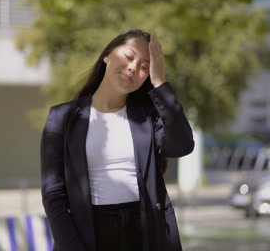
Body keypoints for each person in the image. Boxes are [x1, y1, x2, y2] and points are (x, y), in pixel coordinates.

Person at [40, 29, 194, 251]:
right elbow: (53, 194)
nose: (133, 67)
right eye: (129, 56)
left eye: (144, 66)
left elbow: (182, 144)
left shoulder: (148, 117)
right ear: (107, 55)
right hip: (89, 233)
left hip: (145, 232)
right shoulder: (62, 118)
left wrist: (160, 84)